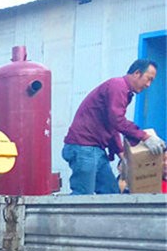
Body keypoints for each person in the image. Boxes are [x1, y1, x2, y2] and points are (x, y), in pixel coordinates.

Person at [62, 59, 165, 194]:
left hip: (95, 149)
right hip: (84, 147)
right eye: (148, 79)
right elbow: (117, 120)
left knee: (111, 192)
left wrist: (122, 154)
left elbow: (112, 126)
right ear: (137, 73)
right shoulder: (118, 86)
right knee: (83, 195)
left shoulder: (123, 90)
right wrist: (145, 137)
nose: (148, 85)